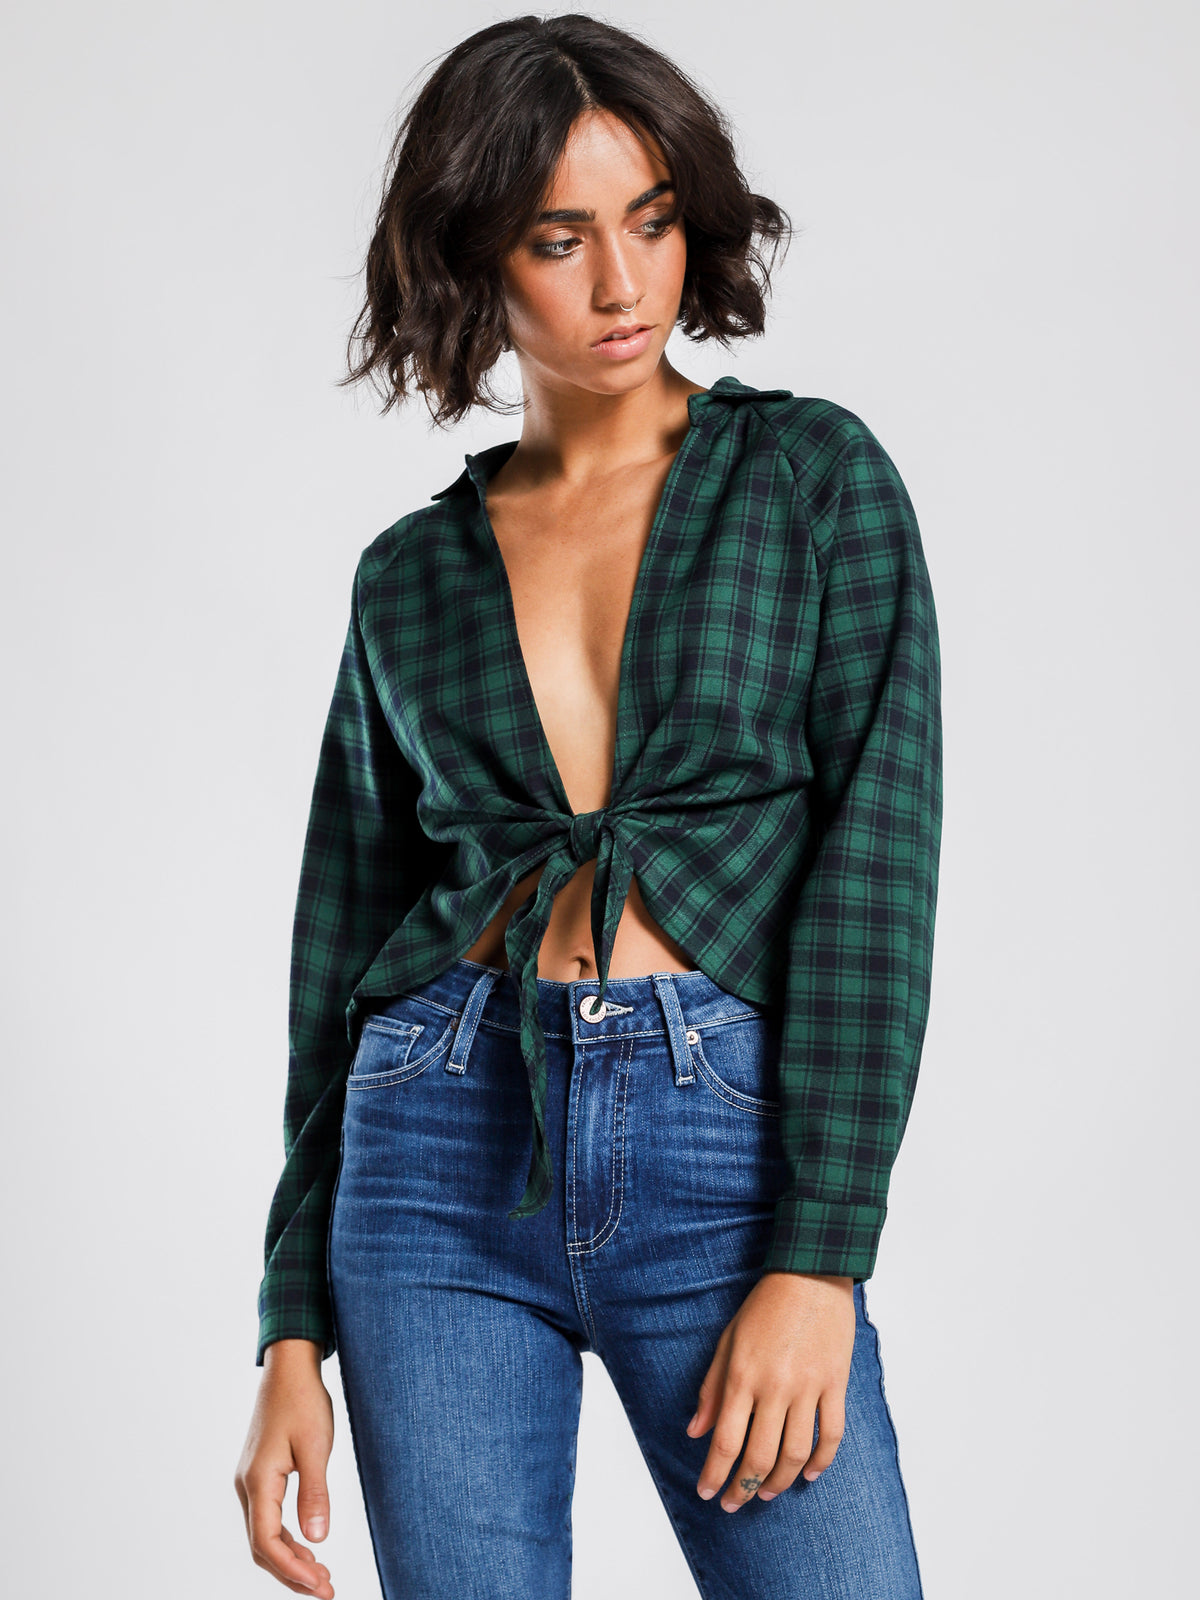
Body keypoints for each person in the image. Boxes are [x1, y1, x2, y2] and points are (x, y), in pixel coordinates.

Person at [234, 14, 942, 1600]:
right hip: (430, 1148)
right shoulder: (409, 576)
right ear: (473, 259)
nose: (625, 284)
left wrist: (822, 1253)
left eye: (653, 220)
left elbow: (876, 877)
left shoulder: (811, 483)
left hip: (721, 1153)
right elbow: (339, 946)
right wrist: (289, 1328)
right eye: (560, 240)